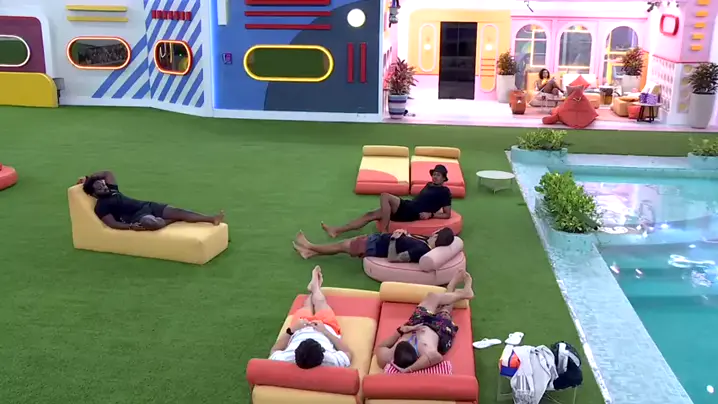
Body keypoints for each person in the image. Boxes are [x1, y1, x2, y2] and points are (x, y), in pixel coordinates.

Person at [374, 270, 473, 373]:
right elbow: (437, 357)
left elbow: (380, 347)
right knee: (444, 311)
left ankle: (458, 292)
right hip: (438, 330)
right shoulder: (428, 352)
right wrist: (409, 369)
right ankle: (454, 289)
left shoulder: (387, 356)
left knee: (432, 296)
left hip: (416, 323)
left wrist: (400, 331)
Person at [322, 164, 452, 238]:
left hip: (412, 212)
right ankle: (336, 230)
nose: (435, 177)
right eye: (434, 174)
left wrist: (431, 214)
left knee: (385, 196)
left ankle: (384, 231)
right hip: (409, 206)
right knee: (370, 215)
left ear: (444, 178)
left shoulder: (445, 192)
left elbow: (447, 214)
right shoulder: (429, 185)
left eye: (438, 175)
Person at [77, 170, 224, 231]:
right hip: (136, 217)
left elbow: (107, 173)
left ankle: (212, 219)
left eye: (103, 184)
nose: (104, 187)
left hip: (146, 205)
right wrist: (130, 226)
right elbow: (112, 224)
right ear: (94, 193)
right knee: (150, 223)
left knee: (179, 211)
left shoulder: (112, 189)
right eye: (100, 187)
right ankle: (168, 221)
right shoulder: (101, 206)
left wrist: (89, 178)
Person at [269, 266, 353, 369]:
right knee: (321, 303)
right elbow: (347, 353)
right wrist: (325, 331)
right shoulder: (332, 361)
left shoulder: (285, 358)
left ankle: (314, 289)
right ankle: (315, 288)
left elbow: (274, 351)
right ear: (323, 353)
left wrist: (292, 330)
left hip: (299, 328)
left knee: (306, 307)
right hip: (325, 326)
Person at [293, 227, 455, 263]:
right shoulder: (425, 242)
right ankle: (310, 253)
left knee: (340, 246)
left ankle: (310, 246)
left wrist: (394, 239)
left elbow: (393, 258)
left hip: (374, 246)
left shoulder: (421, 250)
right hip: (376, 240)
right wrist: (405, 235)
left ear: (437, 235)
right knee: (341, 247)